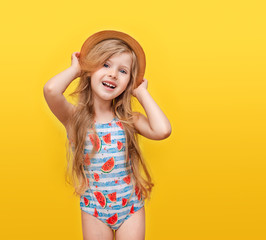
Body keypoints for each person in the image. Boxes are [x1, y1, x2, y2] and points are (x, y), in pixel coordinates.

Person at [43, 30, 171, 240]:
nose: (113, 74)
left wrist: (141, 92)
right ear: (91, 70)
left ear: (129, 81)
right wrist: (76, 69)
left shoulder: (130, 119)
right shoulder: (74, 118)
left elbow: (163, 130)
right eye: (105, 65)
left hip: (130, 207)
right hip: (94, 209)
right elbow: (50, 90)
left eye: (123, 71)